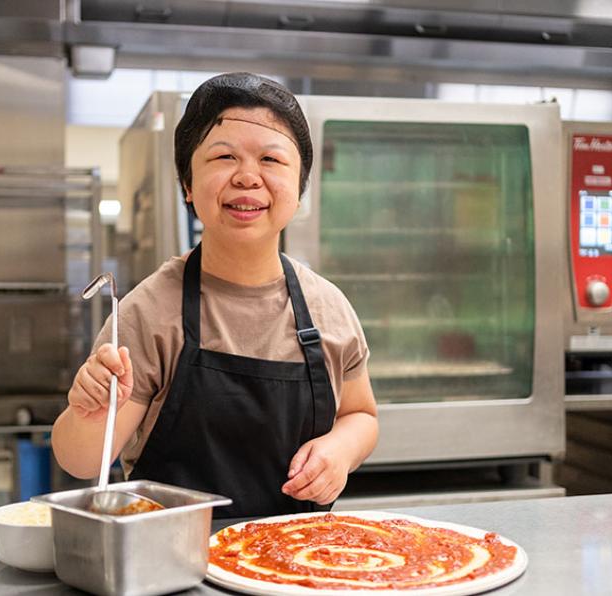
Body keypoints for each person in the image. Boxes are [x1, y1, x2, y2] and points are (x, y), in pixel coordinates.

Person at [52, 73, 378, 518]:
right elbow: (82, 461)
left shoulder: (328, 308)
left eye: (270, 159)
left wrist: (340, 451)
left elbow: (362, 417)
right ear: (188, 185)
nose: (248, 177)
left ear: (299, 190)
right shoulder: (148, 314)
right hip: (172, 562)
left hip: (296, 559)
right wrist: (86, 414)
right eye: (224, 156)